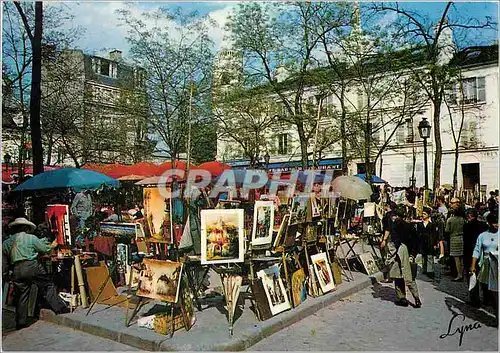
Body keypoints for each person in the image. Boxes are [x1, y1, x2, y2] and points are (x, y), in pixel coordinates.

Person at [2, 217, 68, 330]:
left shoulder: (6, 243)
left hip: (17, 269)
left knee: (22, 295)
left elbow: (4, 262)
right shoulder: (31, 238)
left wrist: (6, 274)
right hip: (32, 266)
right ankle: (60, 309)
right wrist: (53, 245)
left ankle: (21, 322)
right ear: (25, 228)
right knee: (48, 286)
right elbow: (45, 249)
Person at [381, 206, 422, 308]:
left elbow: (394, 241)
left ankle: (402, 298)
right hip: (409, 253)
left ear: (396, 216)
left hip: (398, 252)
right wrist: (413, 254)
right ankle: (416, 298)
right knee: (409, 277)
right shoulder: (410, 227)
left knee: (398, 276)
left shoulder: (394, 226)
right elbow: (416, 241)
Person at [470, 213, 499, 325]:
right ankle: (497, 315)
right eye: (495, 223)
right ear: (489, 223)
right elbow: (476, 251)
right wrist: (473, 266)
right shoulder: (482, 236)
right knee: (491, 293)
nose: (497, 225)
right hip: (487, 266)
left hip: (498, 265)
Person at [416, 207, 444, 279]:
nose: (423, 215)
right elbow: (418, 234)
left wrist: (435, 243)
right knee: (423, 256)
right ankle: (424, 269)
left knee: (430, 257)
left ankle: (430, 271)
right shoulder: (420, 224)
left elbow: (434, 235)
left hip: (430, 242)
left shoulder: (432, 224)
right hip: (422, 242)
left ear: (428, 215)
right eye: (423, 214)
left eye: (425, 214)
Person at [446, 198, 466, 281]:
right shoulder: (463, 220)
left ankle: (459, 275)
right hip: (462, 238)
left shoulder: (450, 220)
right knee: (461, 258)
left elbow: (447, 230)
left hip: (454, 238)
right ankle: (463, 273)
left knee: (456, 258)